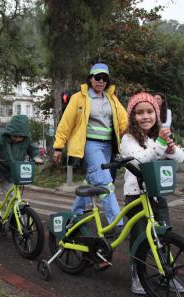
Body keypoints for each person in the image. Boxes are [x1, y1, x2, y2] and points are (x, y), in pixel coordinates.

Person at [120, 92, 184, 295]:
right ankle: (136, 274)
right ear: (133, 116)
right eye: (140, 113)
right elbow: (139, 160)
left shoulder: (156, 138)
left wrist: (171, 148)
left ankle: (167, 272)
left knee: (163, 234)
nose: (145, 116)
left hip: (157, 193)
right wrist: (161, 145)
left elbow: (180, 158)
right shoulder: (128, 139)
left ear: (156, 114)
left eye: (150, 112)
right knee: (139, 236)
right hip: (136, 194)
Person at [52, 63, 128, 229]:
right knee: (105, 182)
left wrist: (140, 131)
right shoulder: (79, 98)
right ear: (90, 79)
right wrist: (58, 147)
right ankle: (116, 224)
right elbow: (66, 123)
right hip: (90, 145)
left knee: (92, 182)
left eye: (105, 78)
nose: (101, 81)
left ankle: (73, 217)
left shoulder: (112, 99)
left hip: (108, 146)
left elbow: (124, 121)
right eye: (97, 77)